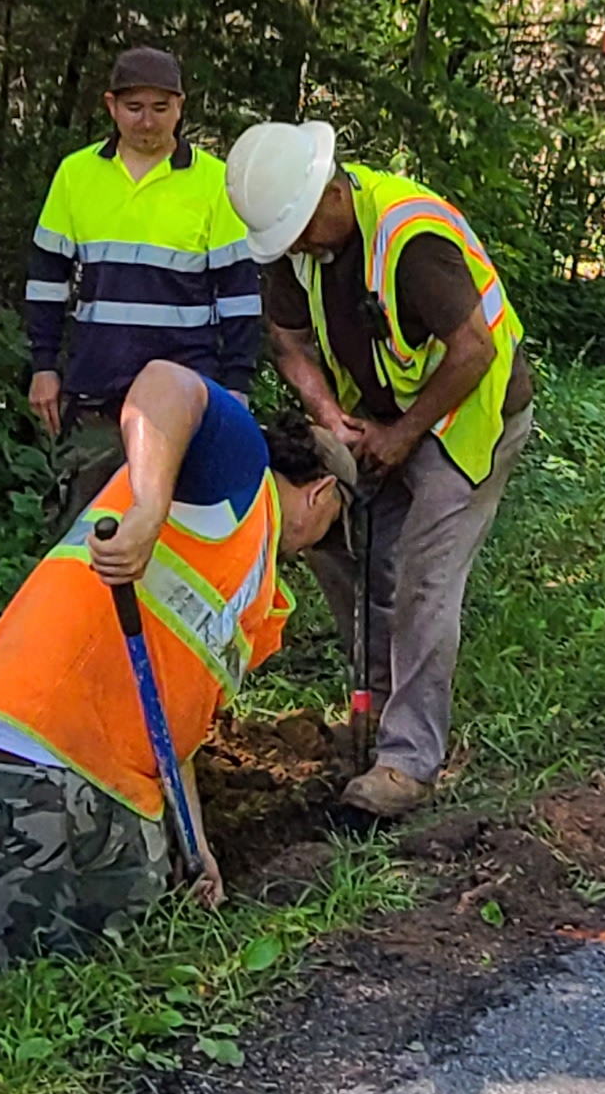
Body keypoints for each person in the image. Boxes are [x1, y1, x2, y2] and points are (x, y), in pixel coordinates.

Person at [0, 358, 346, 969]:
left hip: (107, 790)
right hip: (21, 769)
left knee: (145, 962)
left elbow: (177, 728)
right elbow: (165, 384)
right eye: (335, 524)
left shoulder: (252, 582)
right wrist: (149, 512)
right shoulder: (234, 474)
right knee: (62, 990)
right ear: (322, 492)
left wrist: (195, 842)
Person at [221, 120, 533, 822]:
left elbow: (475, 350)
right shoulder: (292, 239)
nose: (297, 246)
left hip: (467, 419)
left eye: (303, 229)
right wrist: (330, 415)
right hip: (375, 414)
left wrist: (403, 434)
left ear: (332, 190)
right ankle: (372, 706)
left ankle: (407, 763)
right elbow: (290, 341)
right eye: (286, 240)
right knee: (347, 551)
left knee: (424, 577)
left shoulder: (409, 238)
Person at [23, 48, 261, 480]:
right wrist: (43, 366)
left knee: (179, 532)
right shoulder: (76, 175)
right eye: (134, 108)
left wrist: (237, 386)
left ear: (180, 107)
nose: (147, 121)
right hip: (95, 389)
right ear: (111, 106)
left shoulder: (213, 182)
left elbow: (239, 295)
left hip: (185, 395)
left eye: (160, 108)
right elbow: (46, 281)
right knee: (87, 528)